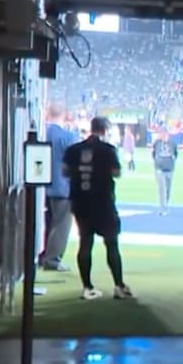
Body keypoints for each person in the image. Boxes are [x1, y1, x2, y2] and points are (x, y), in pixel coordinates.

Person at [63, 117, 133, 300]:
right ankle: (118, 285)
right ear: (104, 130)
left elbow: (65, 171)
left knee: (85, 243)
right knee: (111, 244)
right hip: (103, 203)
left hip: (81, 203)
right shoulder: (108, 150)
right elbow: (116, 173)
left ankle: (87, 287)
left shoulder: (73, 150)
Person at [39, 104, 78, 271]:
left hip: (41, 185)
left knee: (47, 223)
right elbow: (74, 162)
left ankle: (43, 254)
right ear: (64, 115)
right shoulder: (67, 136)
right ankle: (52, 258)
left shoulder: (42, 133)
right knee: (61, 224)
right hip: (62, 187)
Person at [152, 128, 178, 216]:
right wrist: (157, 163)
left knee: (168, 189)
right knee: (161, 188)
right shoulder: (157, 143)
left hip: (169, 168)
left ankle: (165, 204)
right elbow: (153, 154)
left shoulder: (173, 144)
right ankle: (162, 208)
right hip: (159, 168)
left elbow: (175, 154)